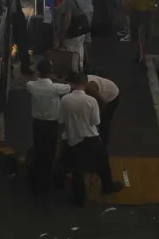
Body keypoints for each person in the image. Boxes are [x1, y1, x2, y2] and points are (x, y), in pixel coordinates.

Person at [60, 73, 123, 206]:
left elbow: (61, 120)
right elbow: (96, 121)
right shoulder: (91, 100)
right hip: (91, 137)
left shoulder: (64, 100)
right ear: (84, 83)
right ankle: (107, 186)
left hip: (74, 137)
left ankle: (78, 198)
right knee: (102, 162)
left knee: (77, 168)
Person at [26, 58, 70, 193]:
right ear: (51, 72)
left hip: (37, 124)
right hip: (51, 125)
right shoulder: (56, 88)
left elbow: (32, 80)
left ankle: (36, 182)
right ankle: (47, 182)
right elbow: (69, 86)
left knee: (39, 151)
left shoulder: (31, 86)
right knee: (50, 153)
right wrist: (57, 78)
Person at [54, 0, 88, 73]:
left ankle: (74, 75)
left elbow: (67, 19)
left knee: (72, 54)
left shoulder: (68, 1)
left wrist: (62, 35)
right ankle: (80, 71)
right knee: (79, 51)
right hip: (81, 31)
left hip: (72, 32)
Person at [86, 75, 120, 148]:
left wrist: (98, 116)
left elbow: (103, 103)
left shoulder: (90, 88)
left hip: (111, 97)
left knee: (104, 122)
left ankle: (103, 144)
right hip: (100, 93)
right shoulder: (81, 85)